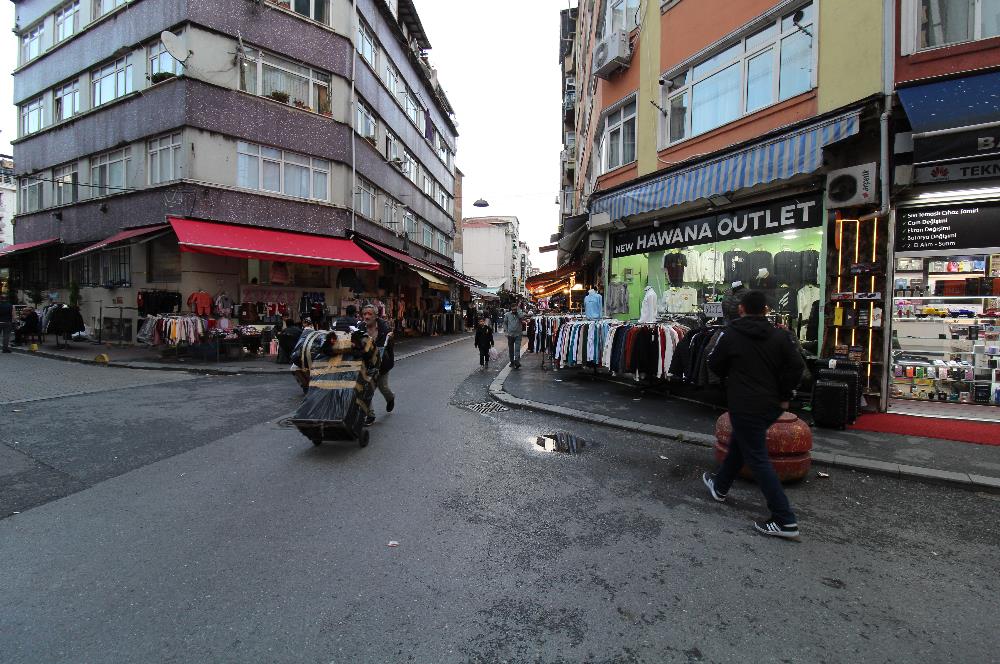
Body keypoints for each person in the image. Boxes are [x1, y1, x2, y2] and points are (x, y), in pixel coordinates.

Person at [703, 290, 806, 540]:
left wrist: (732, 373)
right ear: (766, 310)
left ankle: (784, 519)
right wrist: (785, 395)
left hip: (744, 404)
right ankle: (720, 485)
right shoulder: (780, 335)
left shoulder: (732, 335)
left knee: (757, 458)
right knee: (742, 442)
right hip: (770, 405)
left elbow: (714, 363)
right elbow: (797, 366)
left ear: (741, 309)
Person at [361, 304, 394, 424]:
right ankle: (370, 415)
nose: (366, 316)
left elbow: (389, 347)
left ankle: (390, 398)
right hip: (366, 364)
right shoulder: (360, 327)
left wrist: (390, 338)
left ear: (375, 316)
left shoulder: (384, 328)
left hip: (382, 364)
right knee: (366, 389)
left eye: (369, 314)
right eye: (364, 314)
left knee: (383, 387)